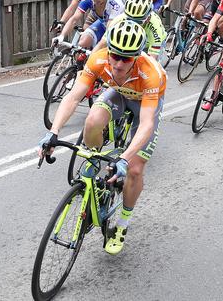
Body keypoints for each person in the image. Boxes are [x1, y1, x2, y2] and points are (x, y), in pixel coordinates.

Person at [39, 19, 167, 255]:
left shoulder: (150, 73)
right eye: (115, 55)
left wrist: (125, 159)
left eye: (126, 58)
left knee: (136, 169)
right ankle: (95, 159)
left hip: (146, 105)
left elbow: (147, 123)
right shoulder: (98, 59)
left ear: (137, 57)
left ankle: (122, 224)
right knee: (92, 120)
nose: (118, 63)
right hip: (119, 94)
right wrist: (53, 132)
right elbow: (73, 97)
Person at [53, 0, 125, 50]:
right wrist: (61, 36)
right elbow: (74, 19)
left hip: (117, 27)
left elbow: (108, 32)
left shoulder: (115, 4)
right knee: (82, 43)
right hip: (102, 22)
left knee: (105, 50)